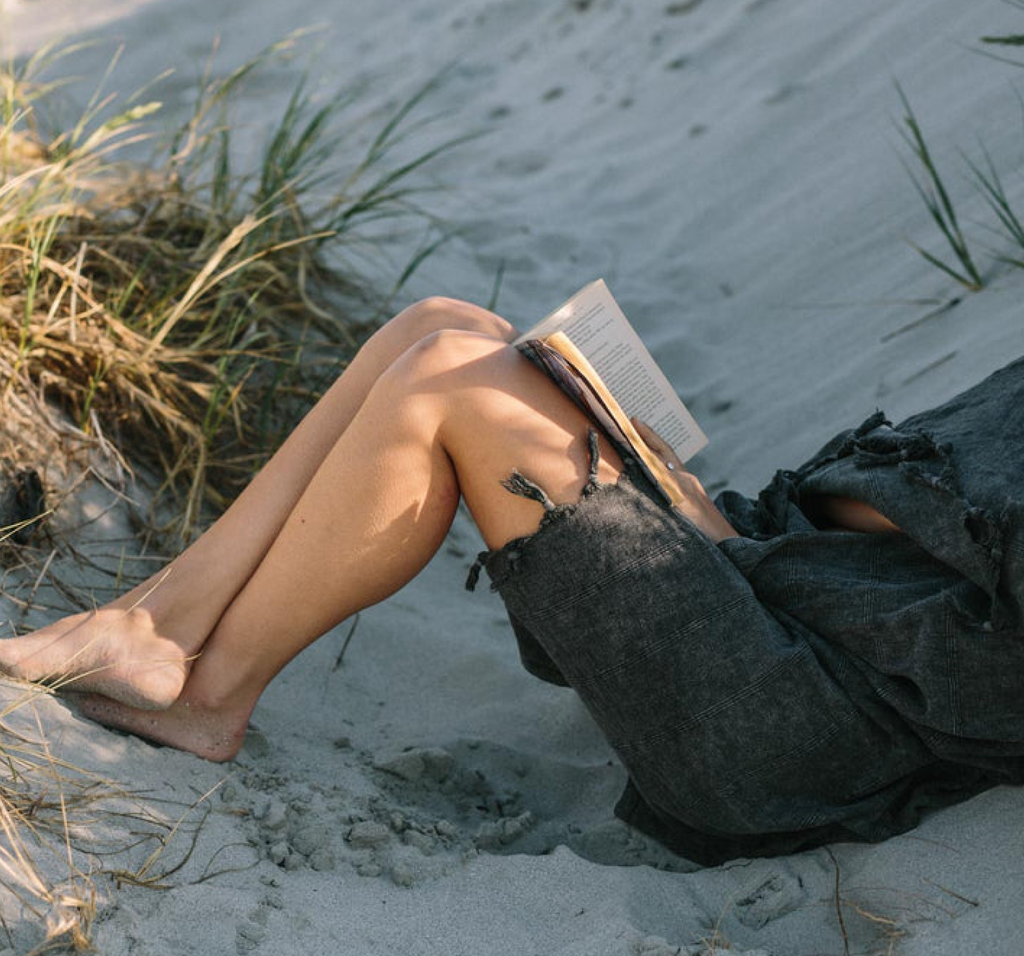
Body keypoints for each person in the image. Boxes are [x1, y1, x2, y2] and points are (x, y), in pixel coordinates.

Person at [1, 296, 1023, 866]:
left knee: (450, 381)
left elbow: (971, 659)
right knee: (437, 324)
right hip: (783, 592)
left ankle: (210, 693)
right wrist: (711, 509)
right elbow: (911, 505)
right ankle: (157, 621)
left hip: (801, 719)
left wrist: (721, 539)